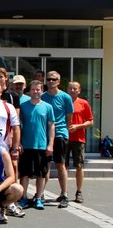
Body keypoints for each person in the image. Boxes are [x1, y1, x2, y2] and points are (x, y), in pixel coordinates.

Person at [18, 80, 55, 210]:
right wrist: (19, 142)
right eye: (33, 89)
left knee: (41, 174)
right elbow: (18, 126)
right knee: (25, 174)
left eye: (38, 89)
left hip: (41, 145)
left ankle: (38, 198)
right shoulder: (23, 106)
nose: (35, 92)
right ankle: (23, 197)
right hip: (26, 145)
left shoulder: (47, 107)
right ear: (30, 91)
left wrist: (50, 144)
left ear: (42, 91)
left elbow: (51, 126)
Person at [42, 71, 74, 208]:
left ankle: (64, 194)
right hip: (45, 135)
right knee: (46, 165)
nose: (50, 81)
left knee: (60, 164)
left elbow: (69, 117)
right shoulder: (42, 96)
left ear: (59, 81)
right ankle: (40, 193)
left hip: (60, 134)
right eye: (48, 79)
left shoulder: (65, 97)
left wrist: (64, 130)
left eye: (53, 79)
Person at [67, 81, 93, 203]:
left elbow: (90, 122)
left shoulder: (84, 103)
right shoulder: (63, 101)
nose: (72, 90)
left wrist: (78, 126)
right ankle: (64, 192)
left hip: (78, 139)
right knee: (63, 166)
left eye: (75, 88)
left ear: (79, 91)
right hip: (64, 138)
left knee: (79, 166)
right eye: (70, 88)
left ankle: (79, 191)